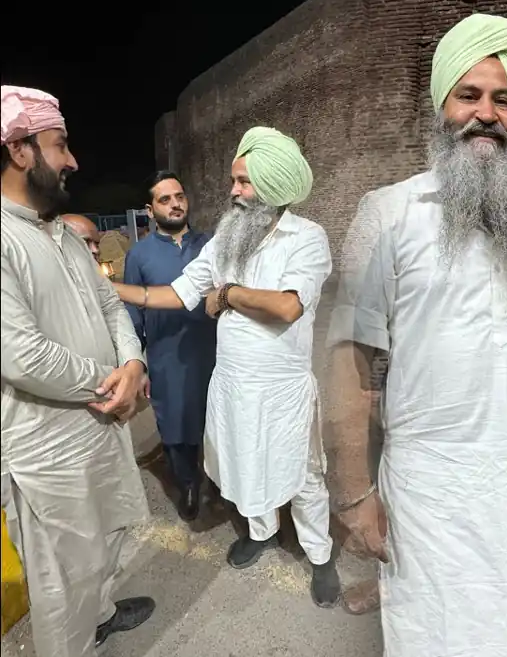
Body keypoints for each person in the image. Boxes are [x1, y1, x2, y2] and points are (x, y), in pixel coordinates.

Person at [325, 13, 507, 655]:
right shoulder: (389, 212)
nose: (484, 114)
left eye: (505, 99)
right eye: (469, 95)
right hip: (423, 491)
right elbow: (349, 358)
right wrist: (353, 493)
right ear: (443, 106)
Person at [109, 126, 340, 607]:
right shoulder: (224, 244)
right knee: (246, 462)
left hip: (283, 389)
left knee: (302, 475)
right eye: (234, 180)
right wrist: (105, 289)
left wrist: (227, 295)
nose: (232, 191)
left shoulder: (307, 237)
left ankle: (320, 556)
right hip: (233, 385)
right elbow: (171, 294)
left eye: (244, 181)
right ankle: (261, 532)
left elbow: (287, 307)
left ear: (274, 184)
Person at [0, 85, 154, 656]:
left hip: (96, 426)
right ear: (20, 150)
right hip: (46, 450)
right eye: (59, 145)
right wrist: (112, 380)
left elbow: (111, 304)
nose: (72, 160)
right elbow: (22, 356)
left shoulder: (62, 233)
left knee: (103, 548)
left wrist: (133, 362)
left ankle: (103, 616)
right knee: (61, 582)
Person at [122, 171, 218, 521]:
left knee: (217, 420)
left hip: (214, 354)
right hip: (166, 357)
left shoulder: (210, 246)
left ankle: (221, 482)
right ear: (150, 209)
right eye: (165, 199)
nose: (175, 203)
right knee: (176, 426)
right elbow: (132, 314)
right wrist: (140, 364)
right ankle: (188, 484)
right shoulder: (139, 255)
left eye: (179, 196)